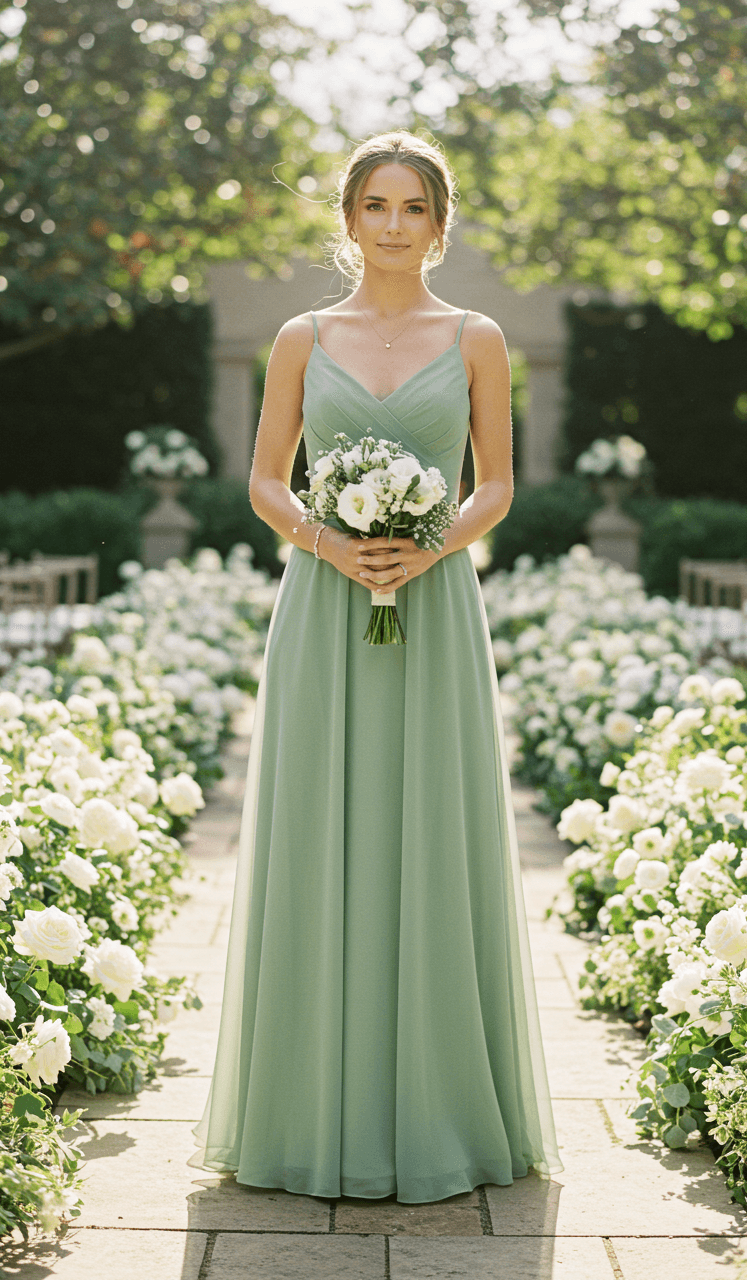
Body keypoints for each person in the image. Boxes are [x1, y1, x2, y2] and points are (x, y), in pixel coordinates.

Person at [188, 130, 563, 1203]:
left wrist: (430, 541)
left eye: (413, 208)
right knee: (321, 832)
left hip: (436, 606)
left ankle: (439, 1101)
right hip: (322, 606)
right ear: (346, 221)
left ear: (440, 226)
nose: (393, 226)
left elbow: (495, 485)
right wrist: (326, 539)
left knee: (428, 833)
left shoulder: (479, 337)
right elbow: (265, 480)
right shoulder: (302, 337)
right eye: (374, 206)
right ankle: (308, 1106)